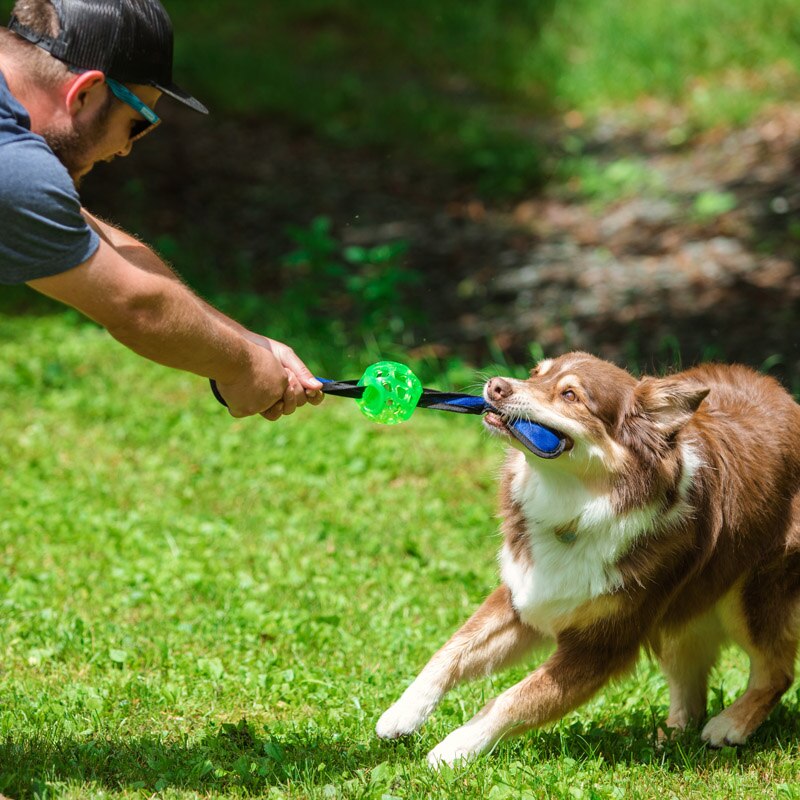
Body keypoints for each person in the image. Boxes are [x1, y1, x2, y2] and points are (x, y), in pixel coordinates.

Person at [0, 0, 324, 421]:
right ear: (84, 93)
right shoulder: (14, 165)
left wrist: (245, 342)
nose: (127, 148)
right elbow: (136, 305)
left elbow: (99, 240)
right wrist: (241, 367)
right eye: (138, 122)